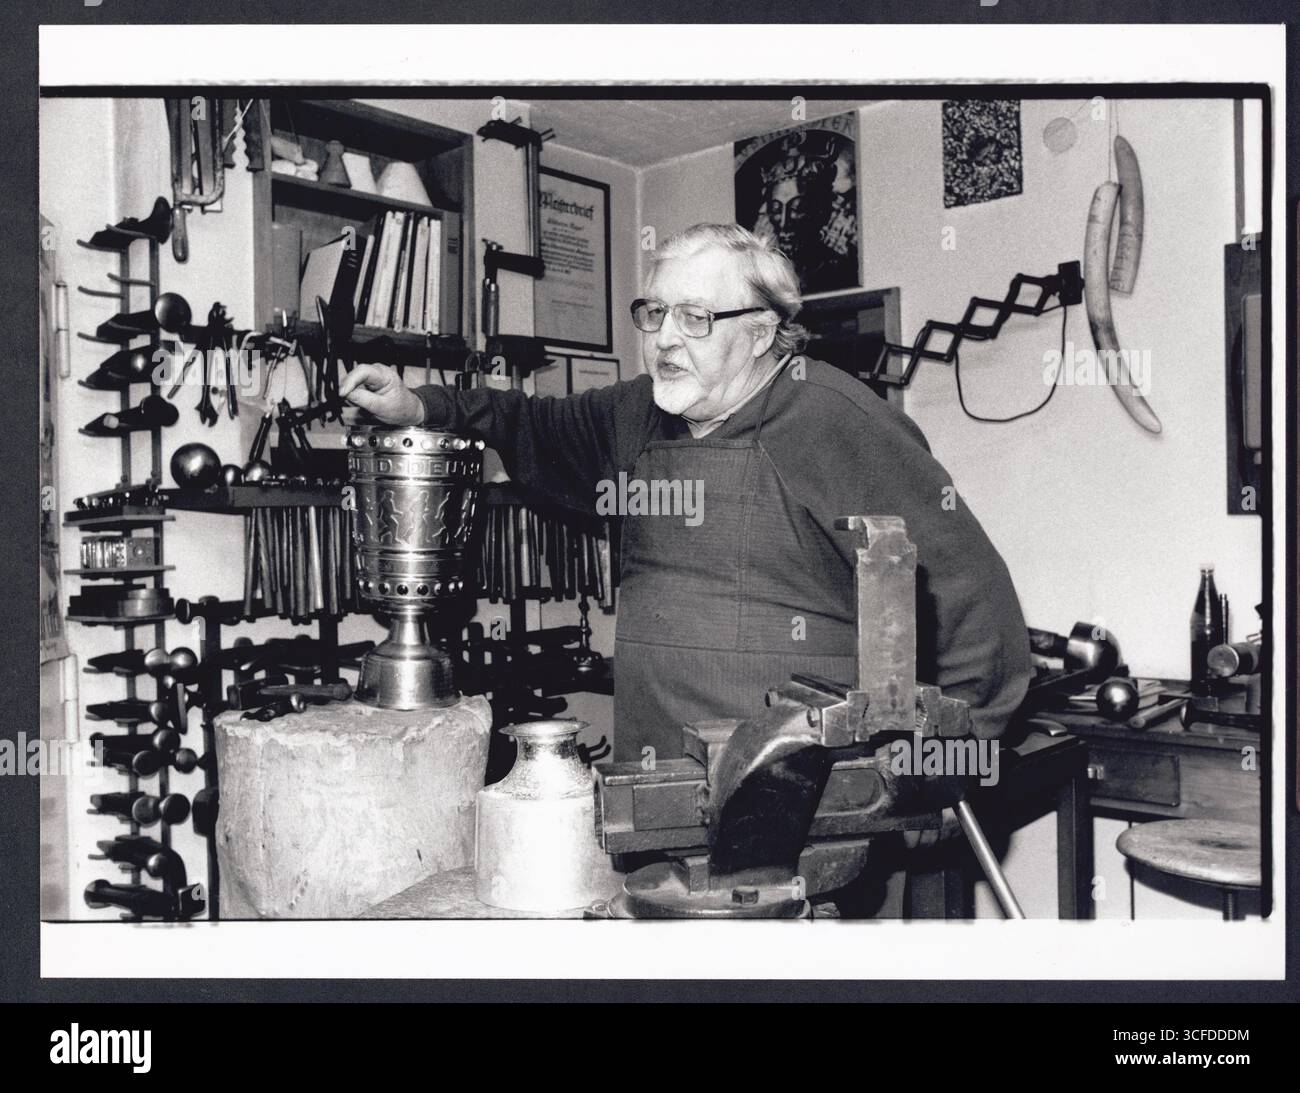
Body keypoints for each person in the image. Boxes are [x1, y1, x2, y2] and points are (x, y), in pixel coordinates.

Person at [340, 222, 1031, 767]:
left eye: (695, 317)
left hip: (813, 805)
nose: (665, 339)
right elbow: (525, 422)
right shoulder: (636, 414)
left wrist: (932, 768)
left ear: (761, 332)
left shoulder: (834, 420)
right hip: (660, 785)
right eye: (655, 313)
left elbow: (970, 594)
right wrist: (417, 405)